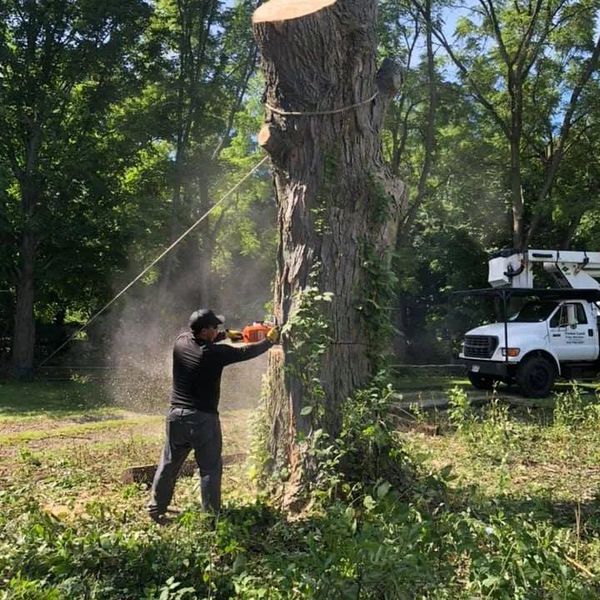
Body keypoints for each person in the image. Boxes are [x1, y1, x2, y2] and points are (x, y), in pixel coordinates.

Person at [147, 308, 279, 523]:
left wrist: (231, 334)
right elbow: (248, 352)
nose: (217, 330)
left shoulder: (181, 342)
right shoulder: (214, 354)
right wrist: (269, 341)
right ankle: (211, 518)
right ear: (205, 330)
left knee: (169, 464)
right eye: (214, 327)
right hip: (202, 420)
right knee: (209, 469)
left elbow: (214, 339)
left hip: (175, 417)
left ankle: (156, 509)